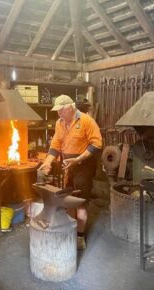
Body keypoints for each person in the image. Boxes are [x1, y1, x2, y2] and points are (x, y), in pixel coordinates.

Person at [38, 95, 102, 250]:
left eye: (61, 110)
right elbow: (55, 145)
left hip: (84, 167)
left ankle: (80, 238)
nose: (58, 114)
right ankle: (72, 230)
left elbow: (97, 143)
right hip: (68, 166)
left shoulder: (86, 121)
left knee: (79, 202)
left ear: (70, 108)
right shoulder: (60, 124)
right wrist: (47, 163)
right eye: (57, 111)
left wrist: (78, 159)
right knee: (68, 200)